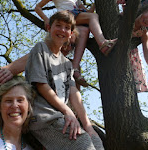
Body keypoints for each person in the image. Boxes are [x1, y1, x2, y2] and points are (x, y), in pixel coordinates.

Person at [25, 10, 104, 150]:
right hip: (44, 118)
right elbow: (41, 84)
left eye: (67, 27)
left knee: (96, 141)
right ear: (49, 27)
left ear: (71, 34)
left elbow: (73, 92)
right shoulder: (41, 49)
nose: (62, 30)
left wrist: (88, 125)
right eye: (58, 25)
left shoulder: (67, 64)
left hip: (61, 118)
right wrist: (67, 111)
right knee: (84, 143)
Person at [35, 0, 117, 84]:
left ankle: (75, 68)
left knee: (84, 31)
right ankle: (103, 43)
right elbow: (37, 7)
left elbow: (87, 12)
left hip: (77, 16)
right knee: (93, 17)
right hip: (67, 15)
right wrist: (46, 19)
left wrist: (96, 2)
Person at [0, 26, 91, 88]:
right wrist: (8, 71)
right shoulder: (41, 54)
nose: (68, 48)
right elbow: (7, 69)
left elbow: (75, 99)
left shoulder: (71, 66)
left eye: (73, 45)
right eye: (66, 42)